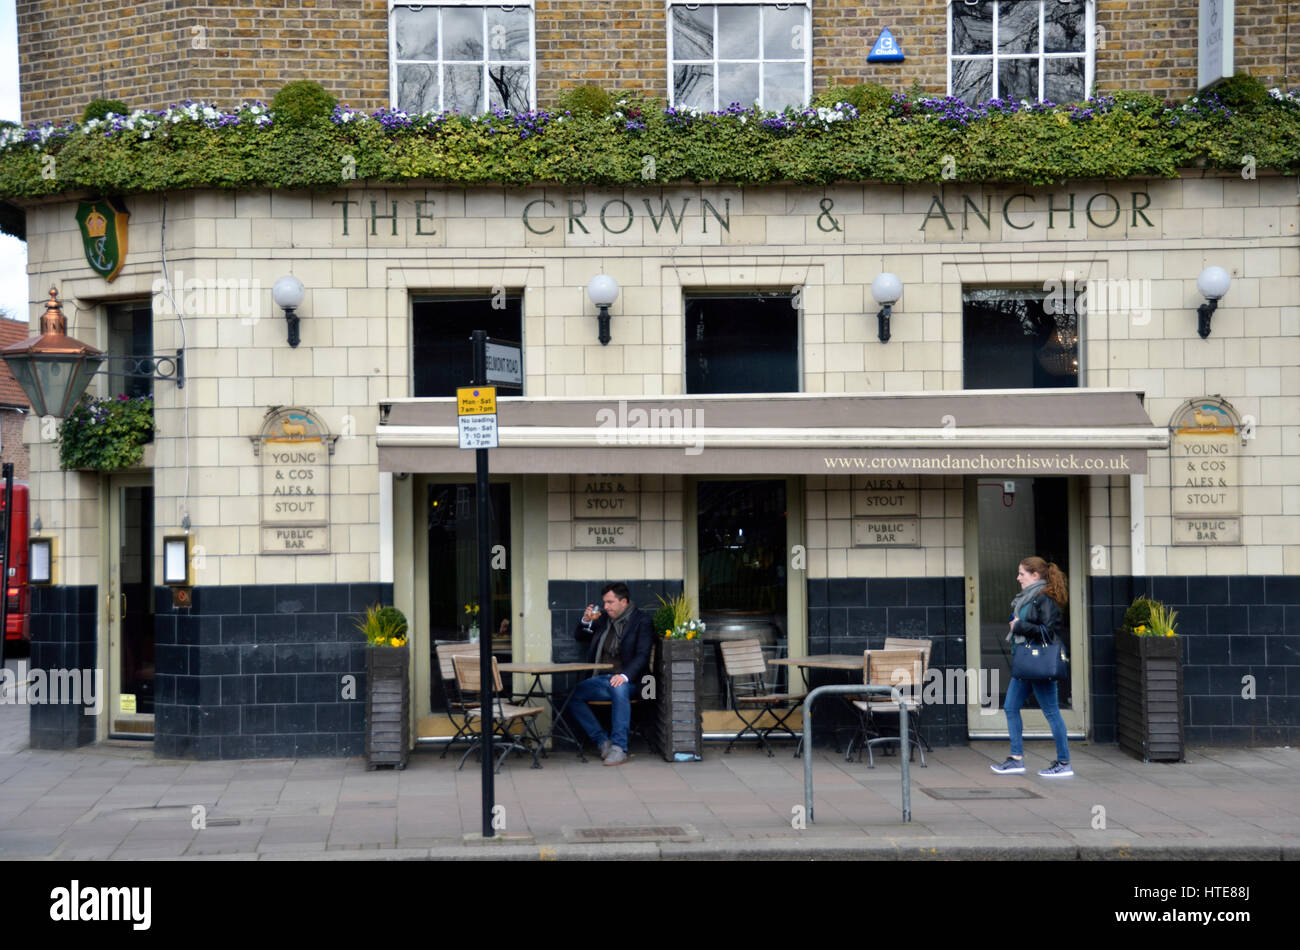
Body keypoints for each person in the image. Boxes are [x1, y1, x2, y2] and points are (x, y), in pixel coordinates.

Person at [991, 556, 1073, 778]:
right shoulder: (1029, 597)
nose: (1018, 578)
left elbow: (1049, 631)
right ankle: (1016, 758)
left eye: (1022, 574)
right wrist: (1018, 623)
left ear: (1035, 575)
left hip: (1039, 663)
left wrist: (1020, 626)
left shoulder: (1045, 598)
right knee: (1010, 707)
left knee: (1051, 711)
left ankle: (1064, 762)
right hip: (1027, 663)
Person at [569, 582, 654, 766]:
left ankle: (619, 748)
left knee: (619, 688)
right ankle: (602, 741)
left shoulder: (642, 621)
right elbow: (580, 636)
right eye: (605, 603)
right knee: (574, 696)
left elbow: (643, 655)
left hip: (630, 681)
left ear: (623, 601)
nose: (606, 607)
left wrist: (624, 676)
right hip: (601, 679)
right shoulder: (604, 619)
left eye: (610, 602)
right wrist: (586, 620)